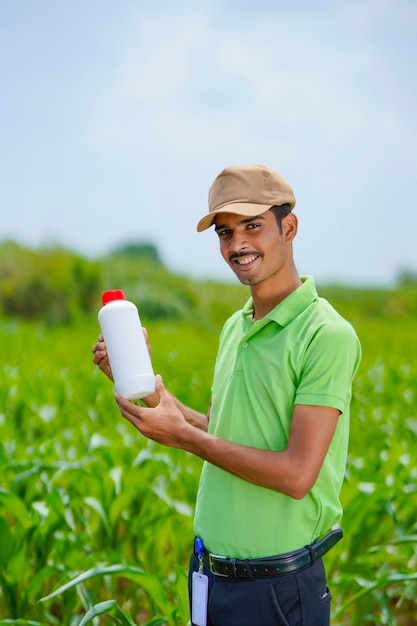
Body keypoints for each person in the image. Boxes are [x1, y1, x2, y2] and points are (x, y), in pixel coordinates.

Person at [92, 163, 362, 626]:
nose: (237, 245)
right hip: (211, 579)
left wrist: (185, 438)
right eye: (224, 232)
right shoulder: (236, 326)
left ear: (289, 226)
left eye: (252, 226)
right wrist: (155, 393)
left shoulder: (326, 335)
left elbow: (297, 474)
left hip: (276, 590)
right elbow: (228, 431)